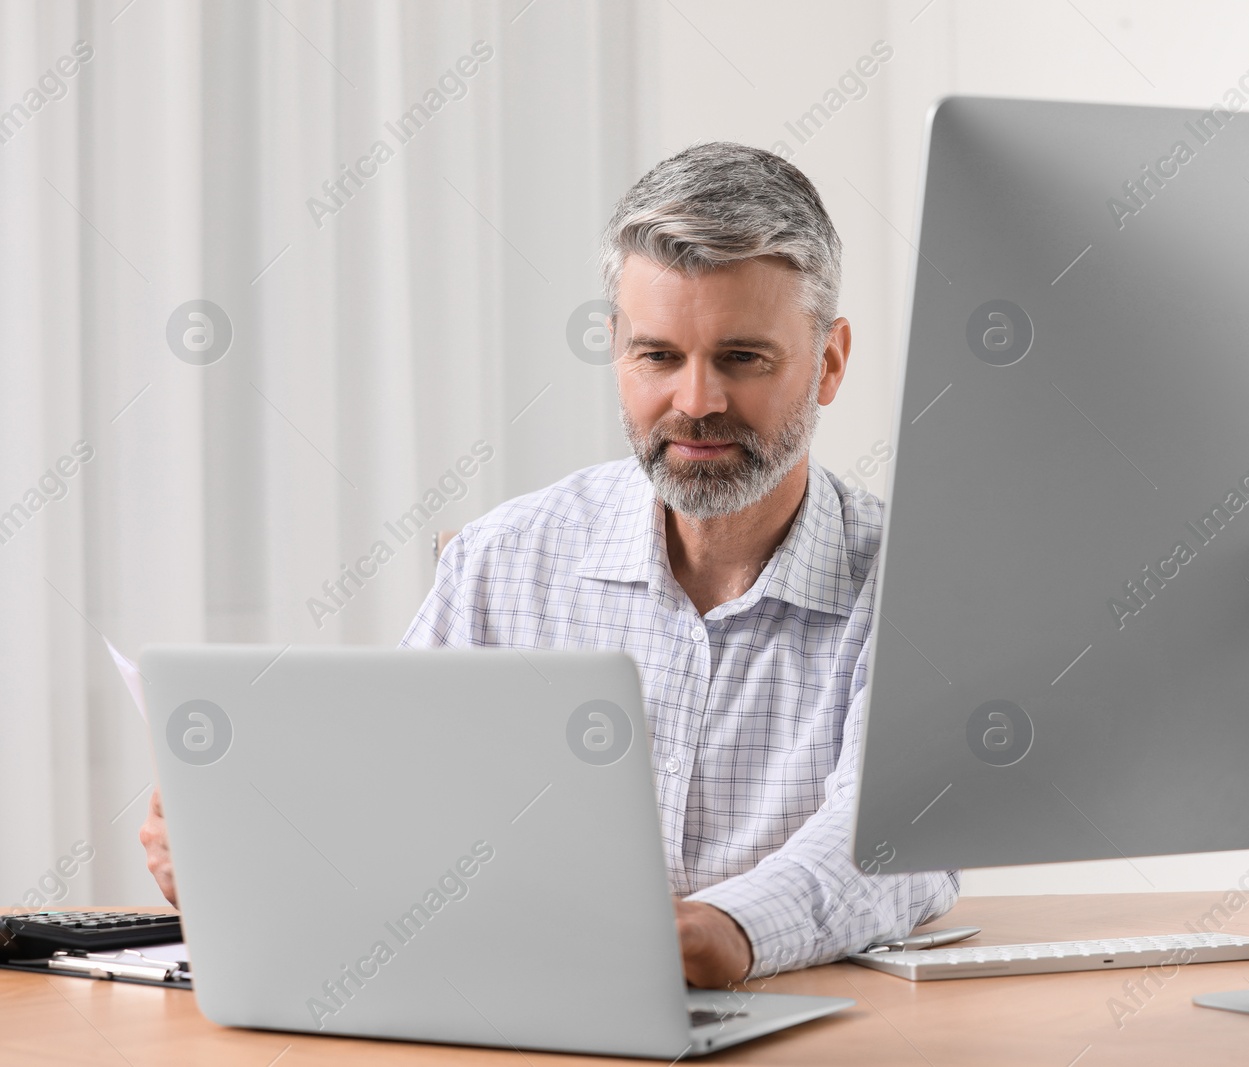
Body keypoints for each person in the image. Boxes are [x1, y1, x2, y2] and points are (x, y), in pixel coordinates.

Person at [141, 140, 959, 988]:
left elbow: (904, 840)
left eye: (742, 359)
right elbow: (400, 809)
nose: (696, 402)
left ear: (828, 363)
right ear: (616, 351)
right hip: (529, 1015)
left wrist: (729, 930)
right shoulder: (504, 560)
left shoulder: (918, 586)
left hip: (804, 1020)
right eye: (659, 356)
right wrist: (248, 861)